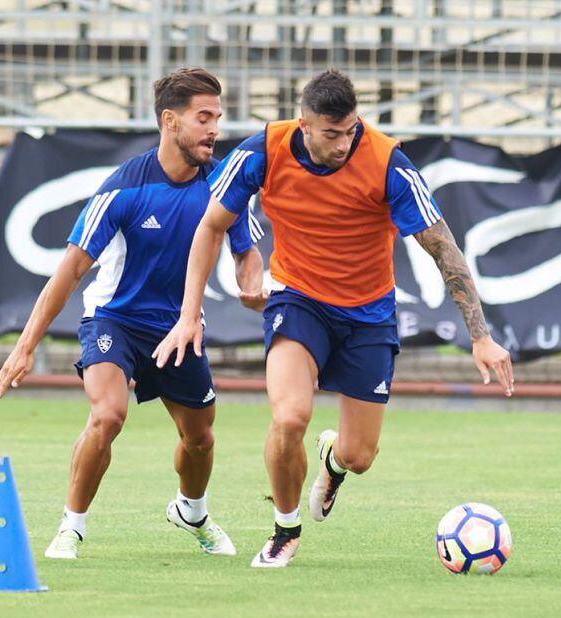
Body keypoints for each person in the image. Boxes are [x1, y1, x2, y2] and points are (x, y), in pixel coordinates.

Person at [153, 69, 515, 568]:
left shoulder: (389, 163)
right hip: (298, 301)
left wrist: (482, 337)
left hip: (369, 315)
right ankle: (284, 528)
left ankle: (333, 460)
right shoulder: (264, 150)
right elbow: (211, 226)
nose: (344, 144)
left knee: (360, 456)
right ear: (304, 124)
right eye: (331, 134)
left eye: (350, 131)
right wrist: (189, 315)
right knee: (289, 416)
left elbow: (444, 250)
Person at [0, 67, 264, 560]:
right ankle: (71, 528)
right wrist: (24, 347)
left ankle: (192, 511)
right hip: (113, 321)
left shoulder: (224, 185)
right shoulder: (122, 189)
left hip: (180, 329)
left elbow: (246, 251)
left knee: (200, 438)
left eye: (217, 118)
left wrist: (250, 285)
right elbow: (69, 270)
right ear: (169, 120)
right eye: (203, 118)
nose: (214, 130)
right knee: (109, 414)